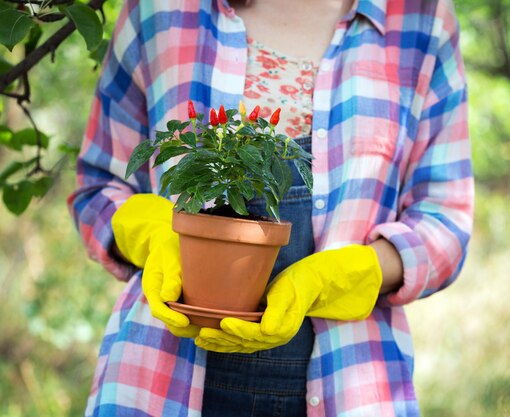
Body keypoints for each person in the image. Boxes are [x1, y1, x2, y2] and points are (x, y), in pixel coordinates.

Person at [67, 0, 473, 415]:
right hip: (159, 378)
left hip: (353, 383)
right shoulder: (160, 9)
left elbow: (446, 220)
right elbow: (101, 184)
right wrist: (153, 237)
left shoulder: (422, 18)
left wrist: (350, 275)